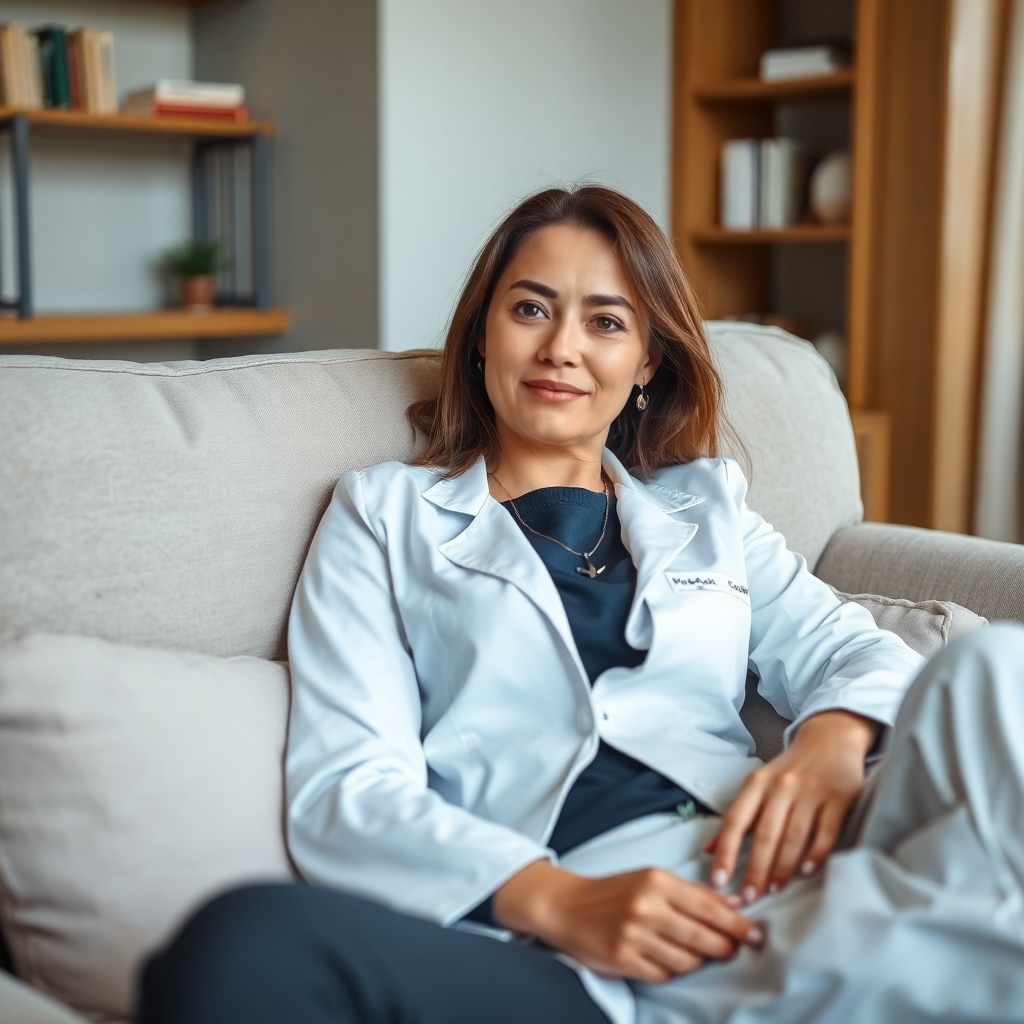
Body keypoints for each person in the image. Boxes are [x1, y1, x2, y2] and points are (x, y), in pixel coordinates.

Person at [136, 187, 1024, 1024]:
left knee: (999, 665)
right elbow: (349, 788)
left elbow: (854, 651)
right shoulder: (382, 516)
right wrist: (559, 901)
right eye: (530, 309)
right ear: (483, 336)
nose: (562, 346)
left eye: (606, 322)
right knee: (241, 940)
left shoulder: (706, 507)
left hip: (780, 860)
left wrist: (829, 748)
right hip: (578, 930)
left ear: (646, 363)